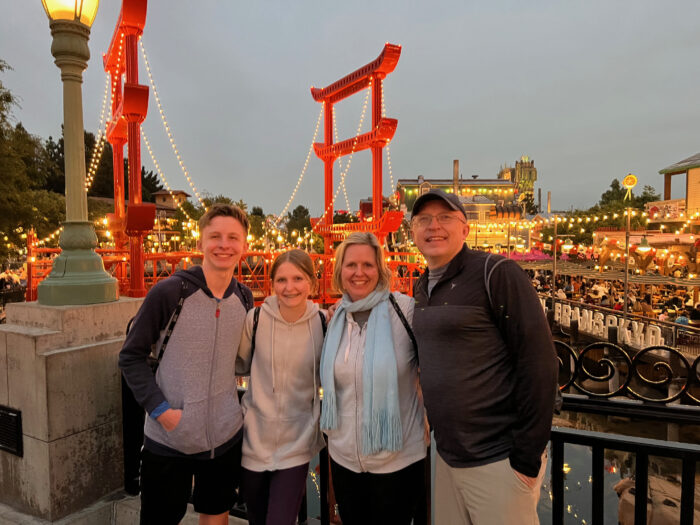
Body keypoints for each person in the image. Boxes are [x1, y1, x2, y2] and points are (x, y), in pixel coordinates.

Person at [409, 189, 557, 525]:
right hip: (448, 455)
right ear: (413, 232)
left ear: (465, 228)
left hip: (497, 457)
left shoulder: (497, 273)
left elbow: (539, 364)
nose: (434, 226)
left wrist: (525, 458)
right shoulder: (422, 287)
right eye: (423, 220)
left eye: (445, 217)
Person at [119, 204, 253, 525]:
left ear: (245, 245)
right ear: (200, 243)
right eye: (215, 236)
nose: (224, 245)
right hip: (169, 438)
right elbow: (131, 355)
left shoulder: (244, 298)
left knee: (216, 513)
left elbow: (242, 360)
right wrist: (162, 412)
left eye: (233, 237)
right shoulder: (170, 292)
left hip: (224, 435)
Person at [320, 232, 427, 525]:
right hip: (345, 460)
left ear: (380, 269)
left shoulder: (406, 311)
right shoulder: (335, 319)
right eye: (351, 264)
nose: (359, 273)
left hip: (397, 460)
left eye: (367, 264)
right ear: (339, 271)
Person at [236, 249, 326, 525]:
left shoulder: (324, 322)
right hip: (253, 438)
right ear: (271, 283)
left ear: (312, 282)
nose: (290, 288)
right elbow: (238, 366)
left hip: (298, 441)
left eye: (298, 278)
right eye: (282, 280)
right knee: (257, 518)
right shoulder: (255, 319)